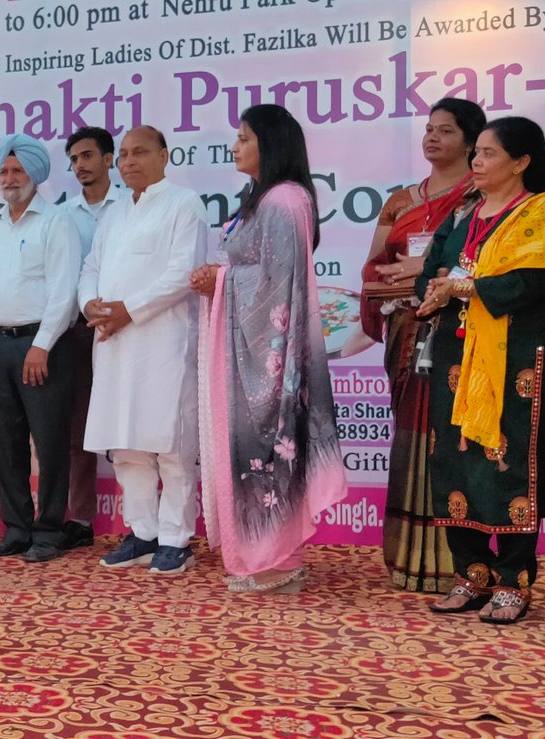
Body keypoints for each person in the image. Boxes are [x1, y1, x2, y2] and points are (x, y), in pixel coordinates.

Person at [413, 117, 545, 625]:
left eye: (488, 153)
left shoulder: (544, 209)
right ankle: (471, 574)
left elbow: (528, 284)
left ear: (521, 162)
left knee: (509, 464)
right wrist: (436, 288)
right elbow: (431, 270)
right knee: (454, 460)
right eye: (477, 153)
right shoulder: (465, 212)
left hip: (517, 359)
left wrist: (461, 287)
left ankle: (513, 582)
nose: (477, 161)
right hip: (456, 356)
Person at [188, 105, 346, 594]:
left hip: (271, 358)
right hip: (245, 349)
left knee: (269, 450)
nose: (234, 147)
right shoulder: (262, 199)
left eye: (244, 138)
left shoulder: (284, 200)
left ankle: (279, 558)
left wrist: (222, 280)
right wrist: (221, 278)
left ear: (271, 144)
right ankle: (259, 555)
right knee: (249, 451)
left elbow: (280, 281)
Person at [362, 98, 485, 593]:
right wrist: (392, 280)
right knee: (411, 438)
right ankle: (408, 560)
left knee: (453, 440)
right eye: (429, 129)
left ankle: (459, 563)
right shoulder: (400, 201)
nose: (433, 138)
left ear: (472, 141)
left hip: (460, 330)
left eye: (446, 130)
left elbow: (483, 261)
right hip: (406, 326)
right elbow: (374, 264)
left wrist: (429, 270)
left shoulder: (481, 196)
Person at [80, 126, 209, 575]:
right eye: (124, 155)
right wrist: (90, 304)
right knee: (126, 444)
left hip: (163, 340)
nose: (129, 162)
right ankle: (143, 533)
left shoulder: (184, 204)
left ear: (164, 156)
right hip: (114, 342)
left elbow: (182, 273)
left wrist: (128, 311)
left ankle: (175, 539)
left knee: (170, 444)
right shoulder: (115, 212)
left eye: (140, 152)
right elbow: (91, 266)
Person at [0, 134, 82, 563]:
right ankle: (17, 529)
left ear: (35, 174)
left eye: (17, 170)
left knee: (50, 440)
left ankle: (50, 530)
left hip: (41, 344)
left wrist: (41, 345)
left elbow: (64, 292)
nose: (9, 178)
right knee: (4, 441)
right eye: (4, 171)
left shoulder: (56, 221)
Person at [59, 126, 119, 548]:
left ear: (109, 158)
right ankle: (79, 519)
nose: (80, 165)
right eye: (74, 160)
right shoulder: (63, 215)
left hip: (128, 324)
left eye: (86, 156)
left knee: (138, 422)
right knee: (77, 428)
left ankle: (147, 524)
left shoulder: (131, 207)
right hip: (78, 329)